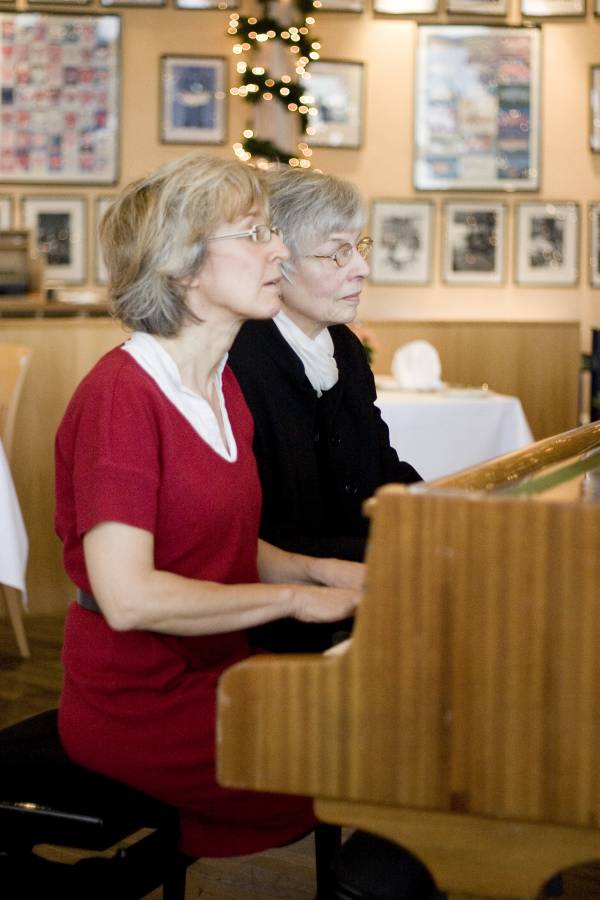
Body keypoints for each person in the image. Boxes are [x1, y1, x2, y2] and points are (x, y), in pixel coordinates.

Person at [54, 153, 363, 861]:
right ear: (184, 266)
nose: (279, 249)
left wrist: (320, 572)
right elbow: (128, 598)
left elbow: (216, 542)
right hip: (138, 705)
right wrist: (291, 599)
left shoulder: (221, 386)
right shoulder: (122, 397)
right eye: (253, 233)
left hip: (220, 672)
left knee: (393, 726)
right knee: (377, 757)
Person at [228, 167, 422, 653]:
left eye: (359, 247)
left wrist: (443, 513)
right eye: (338, 252)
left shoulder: (346, 350)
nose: (361, 267)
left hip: (352, 589)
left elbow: (381, 468)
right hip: (267, 617)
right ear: (279, 262)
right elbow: (250, 533)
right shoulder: (238, 359)